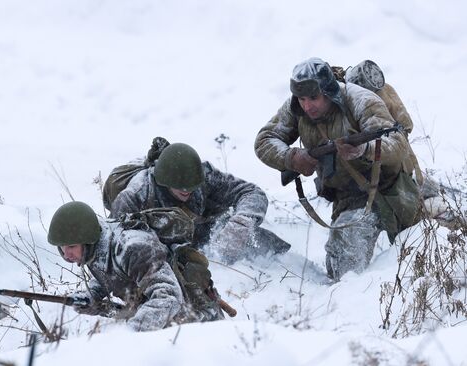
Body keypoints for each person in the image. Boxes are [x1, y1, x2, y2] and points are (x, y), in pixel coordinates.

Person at [254, 57, 419, 281]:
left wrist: (366, 148)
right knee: (343, 270)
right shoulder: (295, 109)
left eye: (314, 97)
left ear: (329, 91)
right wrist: (292, 158)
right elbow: (265, 140)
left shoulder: (361, 101)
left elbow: (396, 144)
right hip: (349, 198)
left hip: (392, 187)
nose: (307, 106)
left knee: (423, 250)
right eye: (302, 99)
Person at [47, 201, 224, 332]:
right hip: (164, 323)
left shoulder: (133, 249)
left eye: (71, 247)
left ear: (88, 239)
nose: (66, 254)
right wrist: (91, 296)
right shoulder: (95, 246)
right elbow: (111, 274)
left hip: (198, 324)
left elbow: (168, 297)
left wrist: (130, 335)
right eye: (61, 248)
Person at [109, 142, 291, 264]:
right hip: (159, 248)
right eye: (181, 186)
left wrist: (241, 223)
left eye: (192, 186)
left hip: (200, 230)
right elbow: (112, 243)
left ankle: (291, 265)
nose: (187, 190)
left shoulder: (205, 175)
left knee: (266, 245)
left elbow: (251, 192)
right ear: (164, 181)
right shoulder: (136, 195)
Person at [345, 60, 466, 230]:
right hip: (388, 177)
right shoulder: (356, 101)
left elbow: (405, 126)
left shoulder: (382, 93)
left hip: (399, 173)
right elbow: (406, 125)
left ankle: (452, 229)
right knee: (430, 202)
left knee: (433, 204)